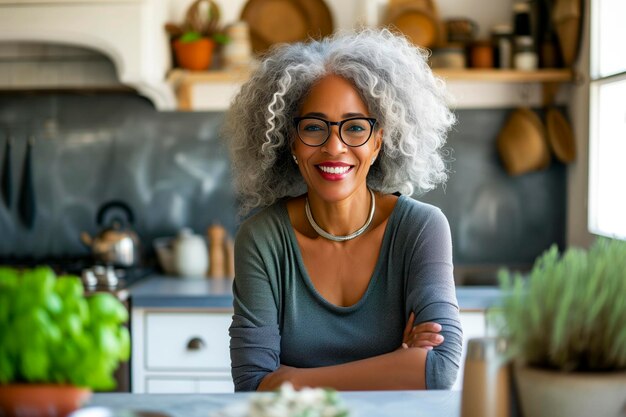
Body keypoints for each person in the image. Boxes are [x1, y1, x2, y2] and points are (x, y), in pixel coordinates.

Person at [225, 28, 462, 392]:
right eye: (314, 127)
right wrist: (400, 364)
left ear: (379, 139)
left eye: (355, 128)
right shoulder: (262, 239)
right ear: (290, 140)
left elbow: (440, 370)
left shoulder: (421, 228)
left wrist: (289, 379)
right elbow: (251, 383)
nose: (334, 147)